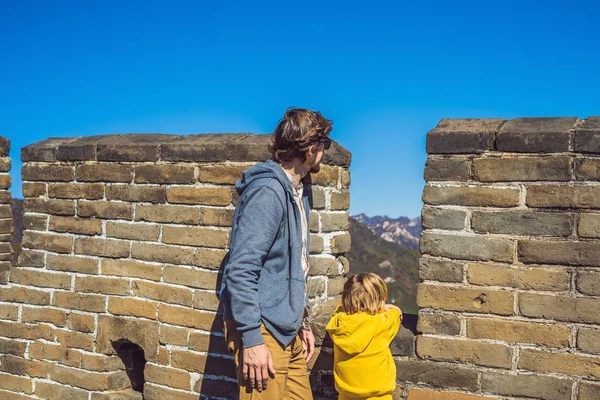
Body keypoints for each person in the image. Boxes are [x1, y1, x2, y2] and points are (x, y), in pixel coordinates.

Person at [220, 108, 334, 399]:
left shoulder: (297, 190)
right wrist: (252, 339)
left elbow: (295, 265)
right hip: (261, 328)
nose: (325, 152)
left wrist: (302, 320)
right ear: (310, 149)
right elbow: (241, 269)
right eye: (325, 145)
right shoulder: (268, 192)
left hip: (286, 328)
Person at [326, 273, 402, 400]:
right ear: (378, 301)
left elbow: (338, 312)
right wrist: (386, 310)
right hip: (378, 396)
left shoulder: (338, 323)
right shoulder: (382, 323)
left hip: (345, 396)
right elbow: (396, 315)